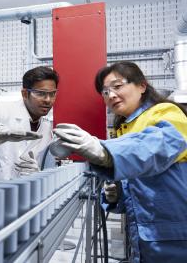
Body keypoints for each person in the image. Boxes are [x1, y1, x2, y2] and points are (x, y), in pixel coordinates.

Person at [51, 61, 187, 263]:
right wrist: (118, 197)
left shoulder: (165, 112)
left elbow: (162, 143)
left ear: (142, 85)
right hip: (146, 236)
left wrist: (106, 151)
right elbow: (146, 186)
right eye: (105, 92)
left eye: (117, 86)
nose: (111, 95)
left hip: (174, 234)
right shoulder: (125, 129)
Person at [0, 66, 59, 187]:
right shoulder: (1, 110)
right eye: (41, 93)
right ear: (24, 93)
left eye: (52, 94)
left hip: (20, 197)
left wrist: (37, 173)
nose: (48, 100)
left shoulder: (46, 129)